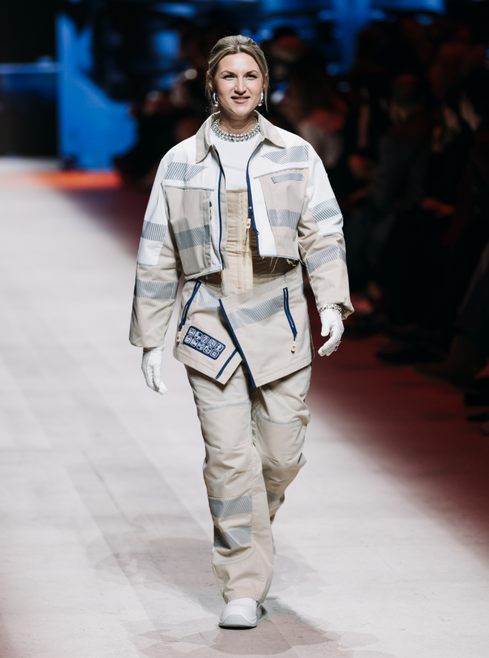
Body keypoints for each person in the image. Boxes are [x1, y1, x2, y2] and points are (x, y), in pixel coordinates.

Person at [129, 35, 353, 629]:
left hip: (280, 313)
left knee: (280, 456)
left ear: (265, 84)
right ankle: (243, 583)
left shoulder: (296, 153)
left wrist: (331, 301)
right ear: (211, 83)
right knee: (229, 460)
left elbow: (323, 232)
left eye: (250, 75)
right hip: (210, 317)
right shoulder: (180, 161)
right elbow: (157, 251)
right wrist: (151, 335)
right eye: (228, 75)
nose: (239, 85)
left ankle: (250, 534)